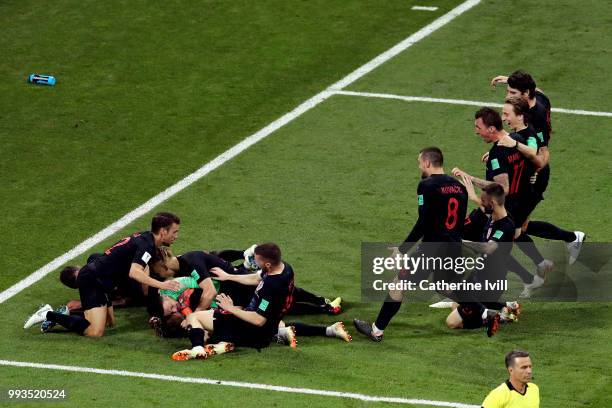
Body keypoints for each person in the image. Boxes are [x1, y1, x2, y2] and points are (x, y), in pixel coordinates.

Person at [354, 147, 468, 342]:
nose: (419, 167)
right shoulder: (460, 188)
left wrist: (402, 249)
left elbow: (423, 223)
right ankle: (490, 310)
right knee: (444, 287)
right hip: (454, 247)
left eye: (419, 163)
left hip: (432, 249)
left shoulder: (427, 186)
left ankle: (376, 330)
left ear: (427, 163)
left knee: (398, 284)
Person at [23, 212, 182, 337]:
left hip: (104, 281)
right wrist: (163, 285)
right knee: (94, 332)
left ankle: (61, 314)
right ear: (163, 231)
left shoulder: (145, 239)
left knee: (108, 323)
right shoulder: (146, 245)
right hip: (92, 278)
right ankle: (48, 314)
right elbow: (135, 272)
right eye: (174, 232)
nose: (176, 236)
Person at [491, 70, 585, 264]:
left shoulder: (536, 116)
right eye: (508, 91)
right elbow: (539, 89)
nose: (508, 96)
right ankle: (570, 240)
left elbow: (542, 153)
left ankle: (542, 266)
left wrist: (533, 170)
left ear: (526, 93)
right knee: (518, 225)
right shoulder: (538, 97)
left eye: (512, 93)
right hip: (526, 169)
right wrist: (509, 80)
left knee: (512, 227)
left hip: (535, 175)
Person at [452, 108, 547, 296]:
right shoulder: (515, 140)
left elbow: (502, 188)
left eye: (478, 127)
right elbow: (534, 161)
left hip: (497, 208)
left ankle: (458, 292)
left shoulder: (498, 153)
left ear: (492, 129)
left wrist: (470, 179)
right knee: (489, 248)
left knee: (463, 240)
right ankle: (530, 278)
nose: (476, 131)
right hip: (513, 206)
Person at [171, 243, 295, 360]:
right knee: (216, 324)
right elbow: (256, 278)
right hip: (263, 329)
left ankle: (197, 349)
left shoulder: (272, 286)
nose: (255, 262)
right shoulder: (284, 268)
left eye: (258, 260)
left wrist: (230, 308)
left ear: (267, 264)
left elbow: (258, 320)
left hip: (252, 331)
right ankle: (222, 345)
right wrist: (229, 276)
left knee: (194, 317)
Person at [445, 181, 520, 337]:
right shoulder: (494, 215)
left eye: (484, 201)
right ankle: (505, 307)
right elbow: (481, 203)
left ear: (492, 203)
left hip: (489, 285)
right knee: (454, 302)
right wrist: (470, 190)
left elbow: (488, 248)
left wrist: (459, 241)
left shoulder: (505, 227)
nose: (481, 204)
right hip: (478, 277)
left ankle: (498, 316)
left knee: (452, 322)